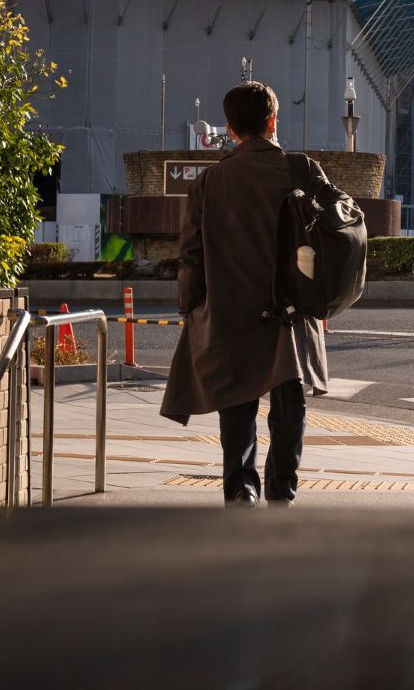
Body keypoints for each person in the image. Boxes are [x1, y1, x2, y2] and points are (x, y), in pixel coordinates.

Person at [160, 82, 332, 508]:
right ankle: (281, 489)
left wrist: (190, 307)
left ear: (230, 129)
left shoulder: (209, 182)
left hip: (229, 310)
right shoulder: (302, 170)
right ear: (273, 121)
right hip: (289, 310)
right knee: (289, 400)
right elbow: (337, 232)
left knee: (235, 401)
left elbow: (191, 256)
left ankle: (241, 486)